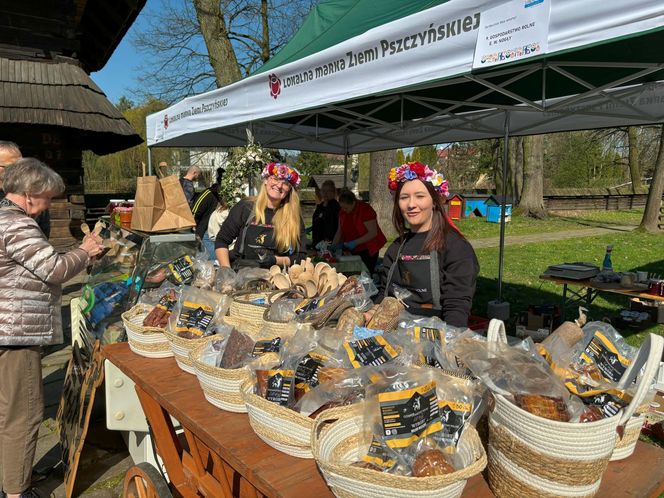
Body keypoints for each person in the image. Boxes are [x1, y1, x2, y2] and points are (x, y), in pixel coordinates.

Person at [0, 158, 103, 498]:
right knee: (25, 415)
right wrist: (85, 252)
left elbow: (36, 262)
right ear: (29, 195)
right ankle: (16, 490)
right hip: (15, 333)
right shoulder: (17, 225)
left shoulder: (8, 219)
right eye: (47, 197)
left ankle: (13, 475)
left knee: (9, 411)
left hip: (9, 328)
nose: (51, 203)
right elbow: (54, 269)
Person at [369, 162, 478, 327]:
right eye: (404, 197)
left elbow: (457, 306)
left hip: (434, 337)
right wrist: (372, 311)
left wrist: (447, 343)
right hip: (396, 337)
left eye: (420, 196)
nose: (411, 204)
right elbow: (385, 295)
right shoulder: (396, 248)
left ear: (434, 201)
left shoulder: (455, 247)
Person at [215, 162, 306, 269]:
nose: (279, 185)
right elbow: (222, 240)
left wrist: (275, 260)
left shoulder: (293, 217)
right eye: (275, 178)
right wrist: (227, 271)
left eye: (286, 183)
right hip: (241, 275)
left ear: (290, 189)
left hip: (276, 279)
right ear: (266, 180)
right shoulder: (245, 207)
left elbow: (300, 257)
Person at [0, 142, 50, 238]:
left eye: (20, 165)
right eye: (10, 167)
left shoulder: (33, 195)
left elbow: (43, 233)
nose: (18, 171)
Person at [331, 189, 386, 273]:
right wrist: (333, 247)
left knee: (365, 274)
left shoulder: (365, 210)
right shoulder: (342, 212)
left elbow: (373, 233)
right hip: (351, 251)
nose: (343, 210)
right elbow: (339, 231)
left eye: (346, 207)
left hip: (368, 250)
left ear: (353, 202)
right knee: (352, 273)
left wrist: (355, 242)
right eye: (342, 207)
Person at [191, 184, 221, 260]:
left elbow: (195, 210)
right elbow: (196, 210)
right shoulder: (212, 194)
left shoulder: (208, 193)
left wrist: (193, 223)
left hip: (206, 230)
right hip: (211, 229)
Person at [311, 180, 340, 247]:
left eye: (328, 191)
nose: (325, 193)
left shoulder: (336, 207)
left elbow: (335, 226)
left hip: (330, 243)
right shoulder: (319, 207)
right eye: (323, 191)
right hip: (317, 242)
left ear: (333, 192)